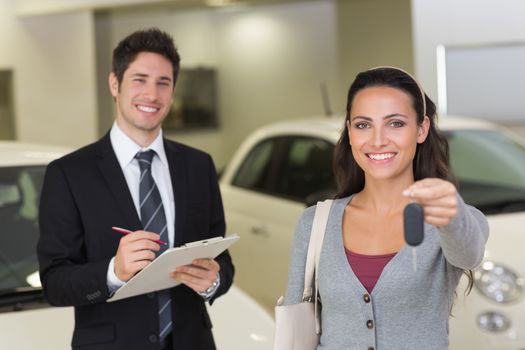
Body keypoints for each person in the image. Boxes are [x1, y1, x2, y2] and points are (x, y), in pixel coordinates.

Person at [37, 28, 234, 350]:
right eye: (139, 79)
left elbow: (221, 259)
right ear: (114, 84)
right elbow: (55, 283)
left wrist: (214, 280)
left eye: (163, 83)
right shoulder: (69, 174)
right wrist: (114, 271)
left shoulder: (199, 166)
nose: (152, 95)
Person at [283, 66, 489, 349]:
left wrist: (452, 212)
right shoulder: (314, 222)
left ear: (421, 129)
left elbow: (469, 254)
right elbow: (296, 328)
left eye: (395, 123)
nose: (378, 140)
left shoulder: (449, 219)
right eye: (363, 125)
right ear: (350, 132)